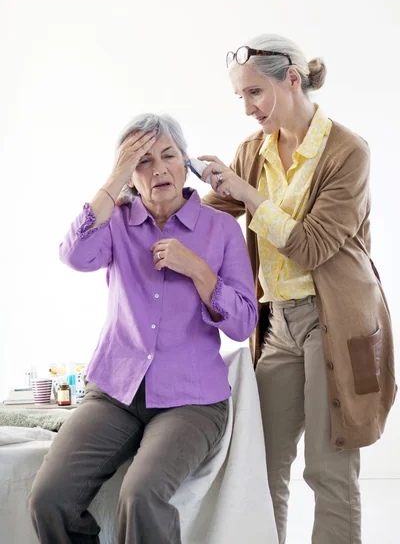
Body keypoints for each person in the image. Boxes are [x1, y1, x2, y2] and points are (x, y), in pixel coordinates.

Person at [201, 34, 397, 544]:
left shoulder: (347, 152)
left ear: (292, 78)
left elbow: (310, 247)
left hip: (336, 321)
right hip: (277, 324)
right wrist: (158, 185)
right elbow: (207, 219)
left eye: (255, 93)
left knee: (329, 471)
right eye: (240, 97)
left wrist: (244, 192)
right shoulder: (253, 152)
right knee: (262, 467)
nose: (247, 108)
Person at [28, 113, 258, 544]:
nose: (157, 169)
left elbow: (244, 323)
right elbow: (73, 255)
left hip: (192, 402)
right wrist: (114, 179)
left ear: (184, 162)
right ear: (130, 174)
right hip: (115, 391)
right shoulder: (115, 220)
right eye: (141, 161)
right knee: (49, 496)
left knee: (142, 493)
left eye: (168, 155)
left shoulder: (221, 229)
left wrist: (199, 271)